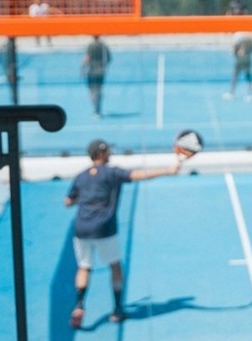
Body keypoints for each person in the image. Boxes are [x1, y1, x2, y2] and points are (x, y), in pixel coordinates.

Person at [64, 138, 182, 328]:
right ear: (101, 154)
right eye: (108, 151)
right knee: (115, 267)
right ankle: (117, 309)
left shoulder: (81, 176)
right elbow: (140, 175)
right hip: (104, 228)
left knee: (84, 267)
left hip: (81, 228)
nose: (110, 153)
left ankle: (79, 306)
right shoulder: (112, 173)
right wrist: (168, 171)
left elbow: (68, 202)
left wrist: (86, 198)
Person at [81, 35, 111, 117]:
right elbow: (108, 59)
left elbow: (87, 58)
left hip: (92, 72)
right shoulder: (104, 46)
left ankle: (95, 110)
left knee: (93, 91)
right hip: (101, 72)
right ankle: (98, 110)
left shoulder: (91, 46)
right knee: (99, 90)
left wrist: (82, 69)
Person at [225, 31, 252, 100]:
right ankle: (250, 94)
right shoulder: (249, 36)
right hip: (248, 59)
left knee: (235, 76)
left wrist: (234, 52)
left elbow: (235, 48)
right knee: (248, 76)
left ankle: (232, 93)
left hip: (240, 60)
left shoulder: (237, 36)